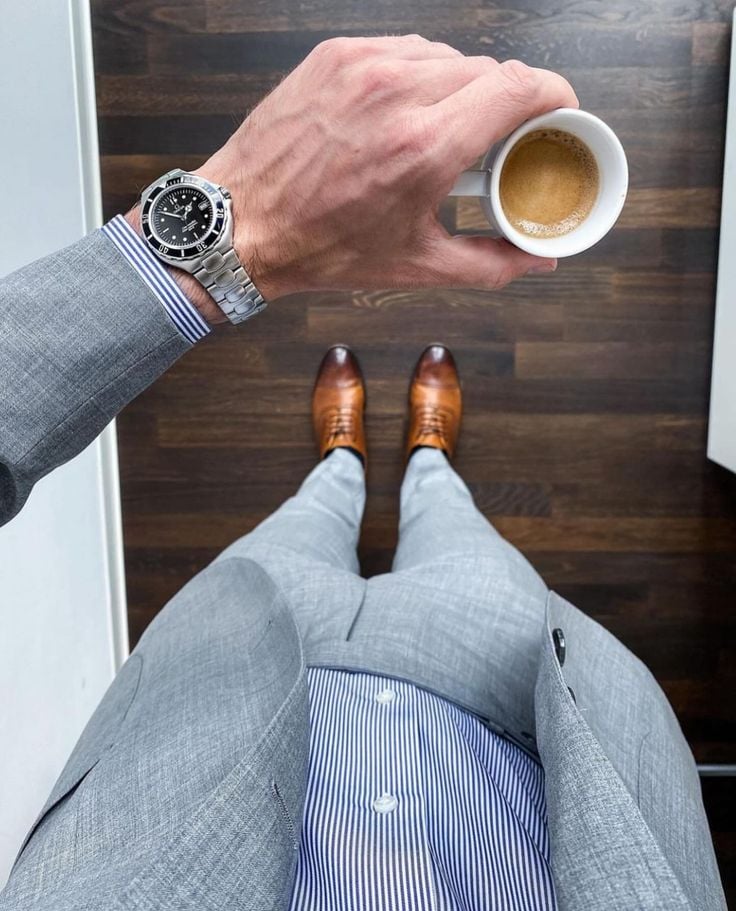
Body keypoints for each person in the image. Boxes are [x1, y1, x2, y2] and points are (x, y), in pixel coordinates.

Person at [0, 34, 724, 911]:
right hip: (495, 685)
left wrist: (230, 234)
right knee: (447, 513)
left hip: (242, 663)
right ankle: (424, 452)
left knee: (314, 509)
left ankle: (343, 459)